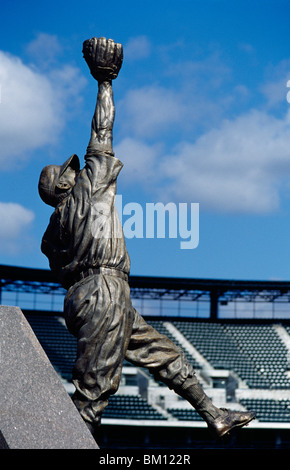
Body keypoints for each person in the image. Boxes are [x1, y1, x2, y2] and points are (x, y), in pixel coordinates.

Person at [38, 37, 255, 439]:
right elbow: (102, 129)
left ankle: (213, 414)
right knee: (93, 392)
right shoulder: (89, 188)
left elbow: (59, 268)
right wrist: (104, 83)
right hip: (104, 289)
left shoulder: (53, 232)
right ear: (64, 185)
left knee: (163, 354)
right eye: (70, 171)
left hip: (88, 294)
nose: (76, 169)